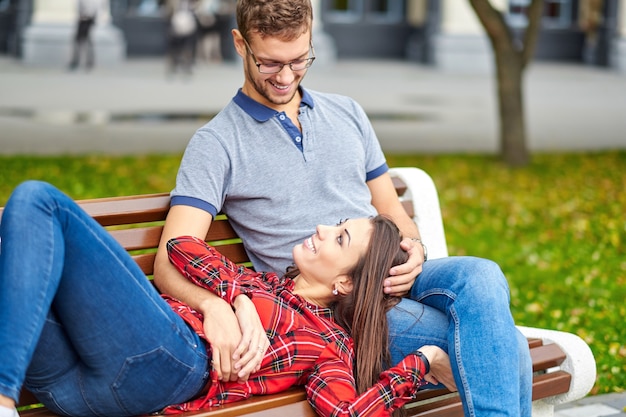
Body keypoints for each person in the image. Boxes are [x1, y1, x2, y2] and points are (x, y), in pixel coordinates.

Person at [153, 0, 533, 416]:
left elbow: (393, 212)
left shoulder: (347, 112)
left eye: (299, 60)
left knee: (480, 275)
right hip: (335, 303)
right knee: (505, 345)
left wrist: (415, 248)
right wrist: (215, 306)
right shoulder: (217, 143)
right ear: (240, 44)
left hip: (389, 273)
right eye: (269, 63)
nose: (285, 77)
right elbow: (171, 256)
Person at [0, 181, 451, 417]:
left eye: (339, 237)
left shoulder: (329, 344)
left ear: (346, 285)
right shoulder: (263, 283)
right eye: (334, 223)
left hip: (167, 364)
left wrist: (423, 360)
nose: (321, 229)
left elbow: (349, 413)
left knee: (42, 202)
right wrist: (230, 301)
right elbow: (182, 246)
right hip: (67, 388)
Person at [68, 0, 101, 71]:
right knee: (82, 41)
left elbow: (92, 9)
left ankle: (83, 62)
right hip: (84, 19)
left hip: (86, 20)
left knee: (83, 41)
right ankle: (83, 62)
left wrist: (86, 15)